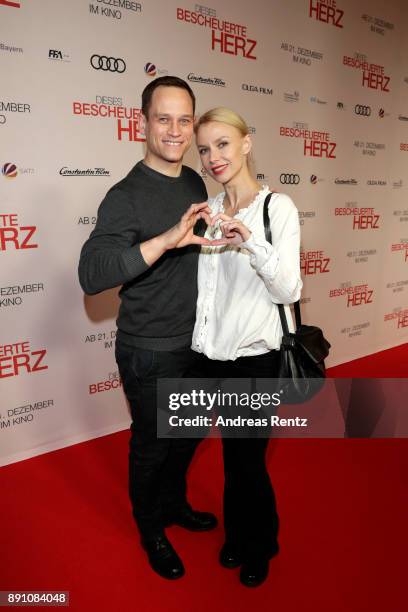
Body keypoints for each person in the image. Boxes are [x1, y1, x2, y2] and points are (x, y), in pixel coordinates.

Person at [78, 76, 217, 581]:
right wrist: (164, 240)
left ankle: (174, 502)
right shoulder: (125, 196)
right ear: (143, 123)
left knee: (191, 433)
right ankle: (150, 526)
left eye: (184, 120)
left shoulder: (195, 183)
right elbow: (91, 275)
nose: (175, 131)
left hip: (199, 343)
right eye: (164, 118)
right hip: (151, 350)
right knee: (154, 443)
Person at [191, 107, 303, 586]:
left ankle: (262, 544)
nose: (213, 157)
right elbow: (211, 293)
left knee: (247, 462)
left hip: (254, 358)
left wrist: (252, 242)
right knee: (230, 457)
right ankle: (238, 535)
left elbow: (289, 290)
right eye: (203, 149)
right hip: (210, 356)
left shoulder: (278, 208)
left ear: (246, 144)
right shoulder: (209, 212)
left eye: (221, 144)